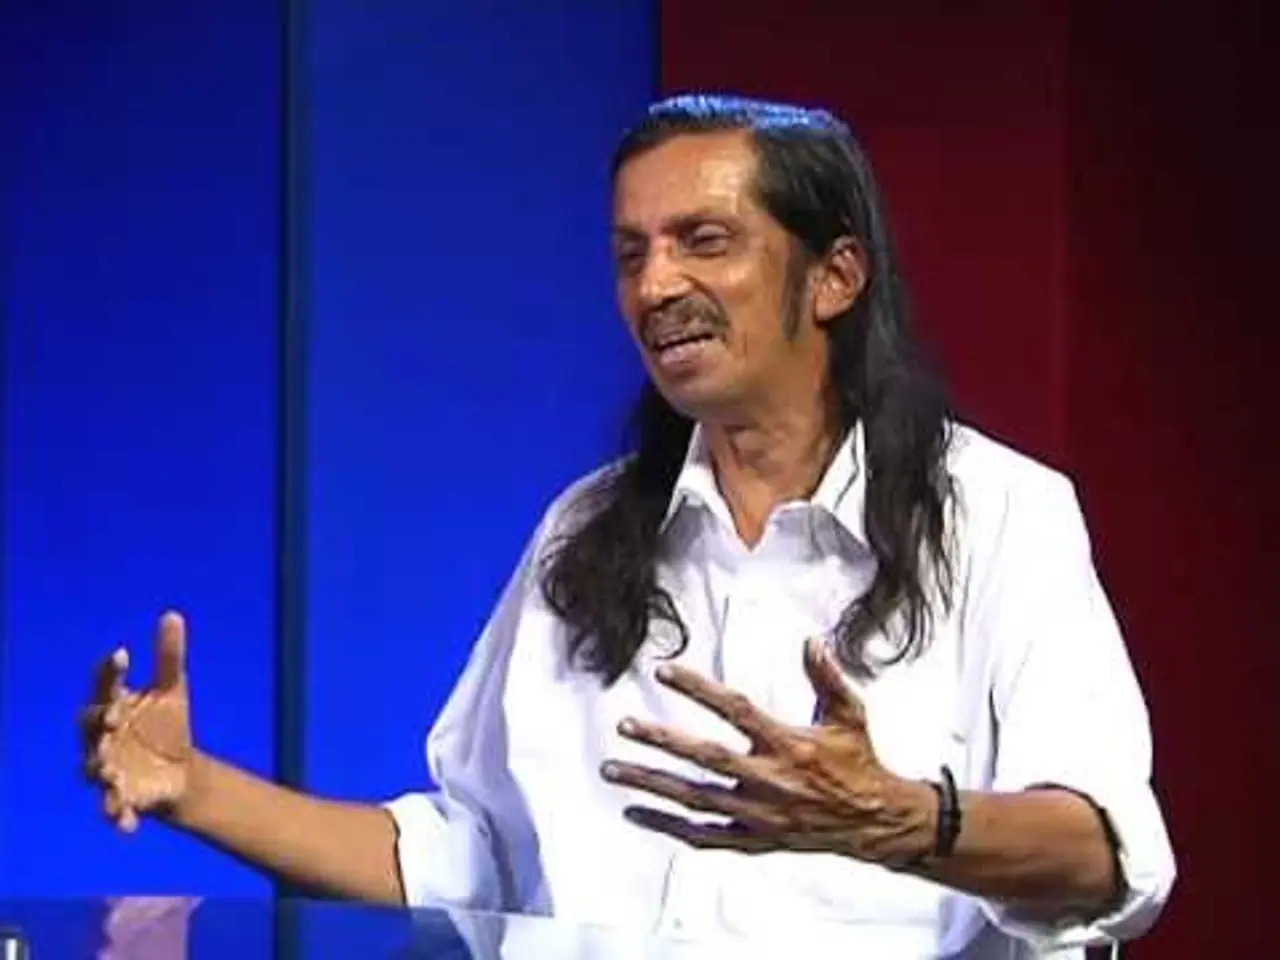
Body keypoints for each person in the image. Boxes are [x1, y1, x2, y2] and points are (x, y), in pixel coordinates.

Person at [80, 94, 1175, 958]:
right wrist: (196, 787)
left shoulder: (998, 516)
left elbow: (1108, 856)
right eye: (629, 252)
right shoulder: (587, 531)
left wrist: (900, 819)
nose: (656, 286)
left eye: (704, 240)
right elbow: (474, 856)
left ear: (834, 276)